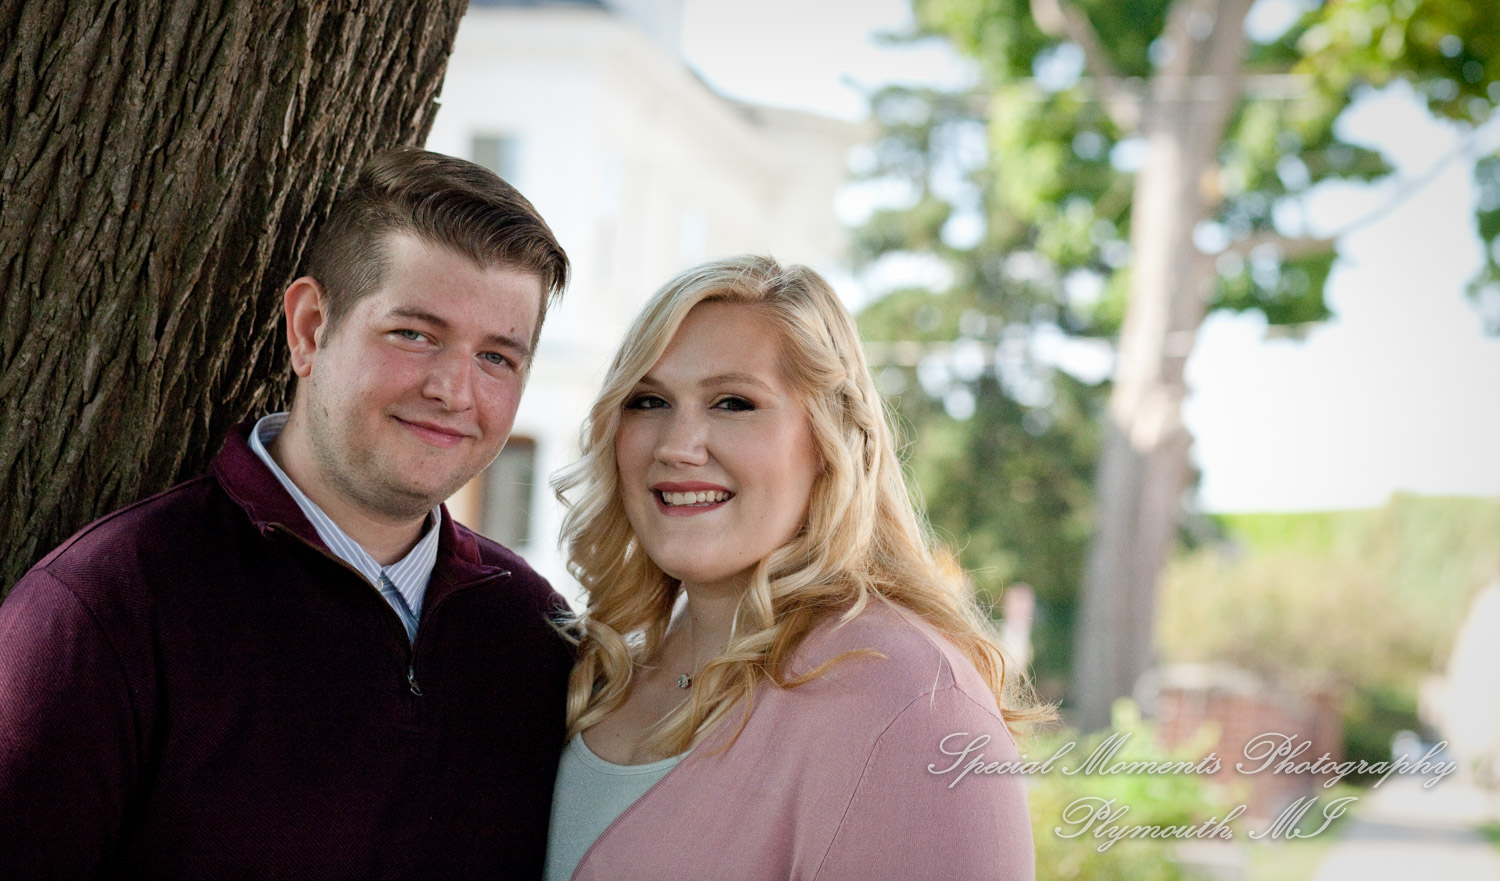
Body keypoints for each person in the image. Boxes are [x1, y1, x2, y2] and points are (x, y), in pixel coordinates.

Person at [0, 148, 574, 880]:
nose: (454, 390)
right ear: (308, 328)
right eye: (414, 334)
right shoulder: (105, 610)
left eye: (498, 357)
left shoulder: (534, 636)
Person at [545, 256, 1044, 881]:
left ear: (830, 439)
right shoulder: (601, 670)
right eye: (649, 401)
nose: (676, 445)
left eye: (733, 402)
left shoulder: (909, 701)